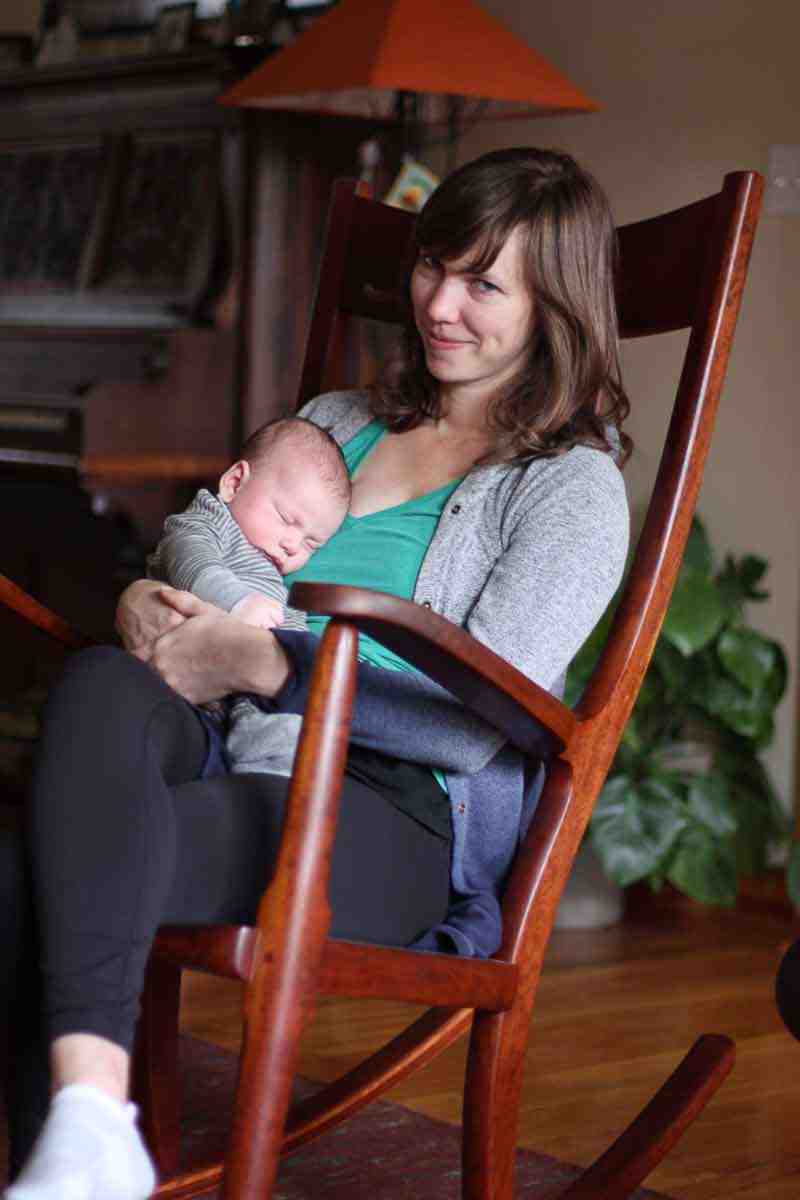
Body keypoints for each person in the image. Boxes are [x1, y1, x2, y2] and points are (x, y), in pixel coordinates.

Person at [2, 146, 631, 1200]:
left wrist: (261, 656)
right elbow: (210, 526)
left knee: (29, 877)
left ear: (553, 310)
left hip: (379, 808)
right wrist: (143, 599)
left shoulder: (567, 492)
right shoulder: (341, 421)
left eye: (485, 284)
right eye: (436, 264)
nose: (440, 303)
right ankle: (91, 1125)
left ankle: (77, 1142)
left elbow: (474, 723)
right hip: (213, 736)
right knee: (102, 685)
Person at [148, 416, 350, 776]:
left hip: (241, 688)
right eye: (287, 519)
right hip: (177, 669)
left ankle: (270, 788)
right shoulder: (208, 522)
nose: (292, 545)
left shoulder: (271, 571)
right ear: (235, 483)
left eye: (311, 543)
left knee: (284, 731)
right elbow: (190, 561)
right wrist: (238, 602)